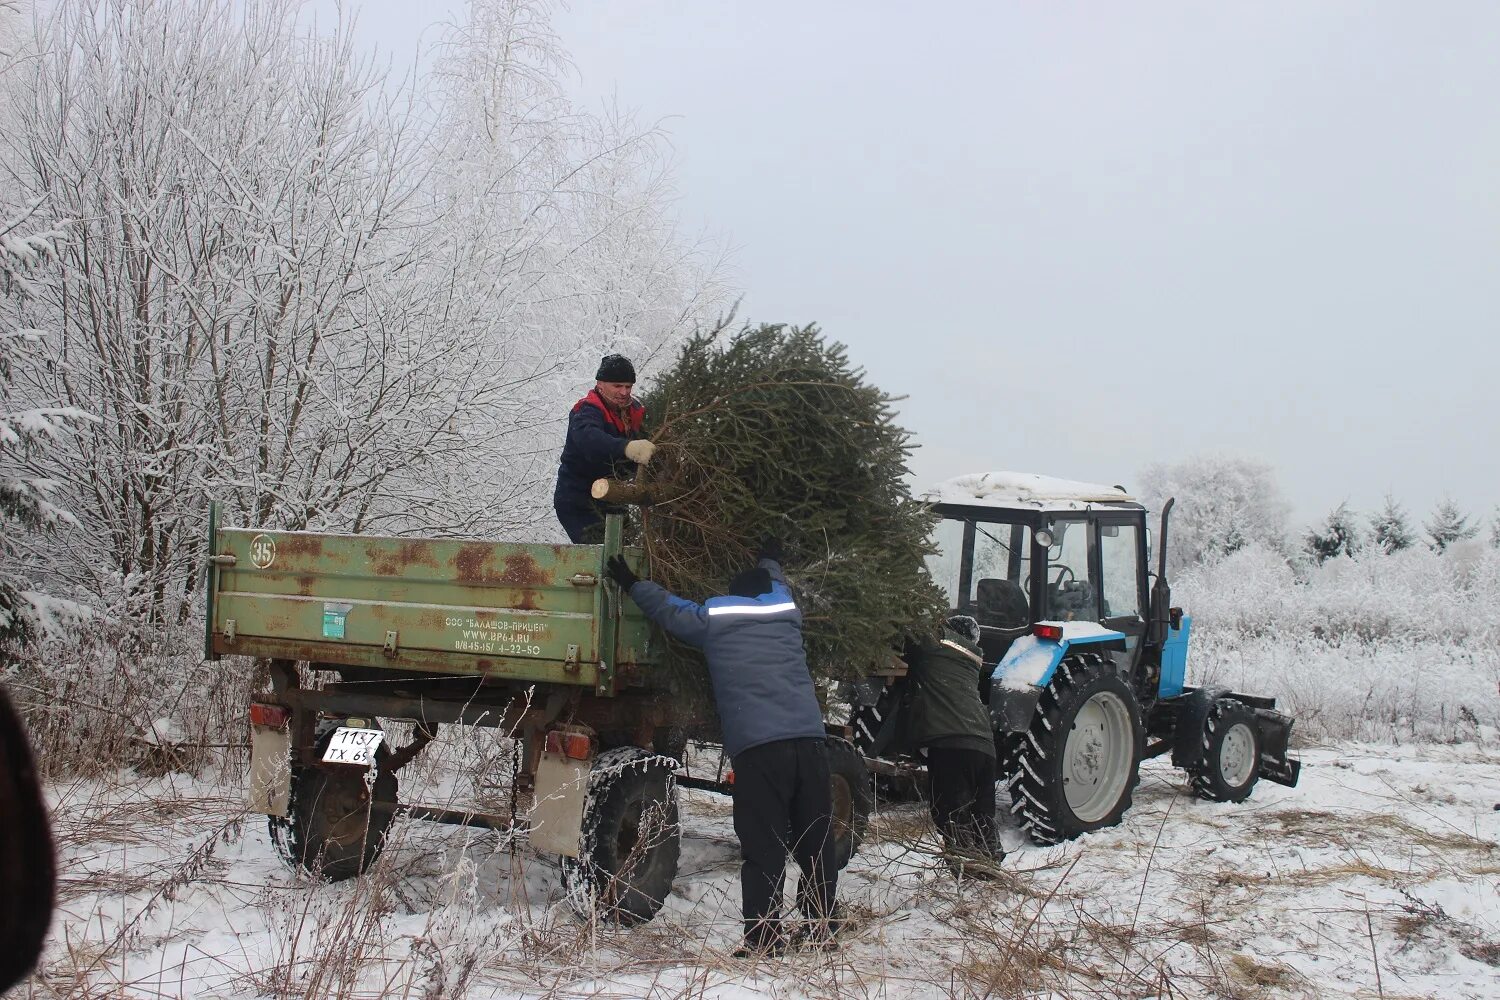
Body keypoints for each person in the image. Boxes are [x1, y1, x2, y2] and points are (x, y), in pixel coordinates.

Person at [605, 539, 839, 956]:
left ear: (734, 593)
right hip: (810, 743)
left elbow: (670, 610)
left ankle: (764, 937)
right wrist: (770, 556)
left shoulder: (715, 617)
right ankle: (822, 926)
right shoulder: (786, 611)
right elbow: (777, 580)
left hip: (760, 750)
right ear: (765, 591)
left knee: (763, 844)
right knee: (814, 840)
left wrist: (632, 583)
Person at [905, 614, 1004, 871]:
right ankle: (990, 867)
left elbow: (909, 630)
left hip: (952, 745)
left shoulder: (935, 650)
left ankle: (965, 870)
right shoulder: (973, 663)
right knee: (983, 816)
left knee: (951, 815)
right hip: (985, 746)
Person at [553, 354, 656, 543]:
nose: (624, 392)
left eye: (628, 386)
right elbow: (589, 441)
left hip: (614, 498)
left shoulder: (634, 412)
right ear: (600, 384)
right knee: (600, 555)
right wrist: (627, 447)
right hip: (578, 500)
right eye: (617, 386)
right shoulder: (586, 410)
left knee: (626, 553)